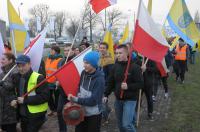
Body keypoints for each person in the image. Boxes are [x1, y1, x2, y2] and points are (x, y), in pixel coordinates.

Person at [103, 45, 143, 132]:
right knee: (120, 125)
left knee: (127, 125)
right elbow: (110, 82)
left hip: (130, 100)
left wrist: (128, 86)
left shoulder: (134, 67)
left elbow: (140, 84)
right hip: (118, 100)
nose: (118, 55)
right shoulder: (114, 67)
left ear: (127, 53)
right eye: (116, 53)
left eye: (120, 53)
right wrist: (106, 94)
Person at [11, 55, 49, 132]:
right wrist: (15, 100)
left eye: (23, 65)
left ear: (29, 64)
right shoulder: (16, 77)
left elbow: (45, 96)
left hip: (36, 115)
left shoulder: (39, 77)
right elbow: (18, 93)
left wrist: (25, 100)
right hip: (22, 114)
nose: (21, 68)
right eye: (18, 66)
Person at [68, 51, 105, 132]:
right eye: (84, 62)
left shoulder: (99, 80)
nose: (84, 65)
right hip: (81, 111)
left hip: (93, 114)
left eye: (87, 63)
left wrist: (76, 99)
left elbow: (93, 101)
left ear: (94, 64)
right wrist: (77, 96)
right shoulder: (83, 73)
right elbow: (79, 87)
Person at [57, 44, 75, 132]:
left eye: (68, 50)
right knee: (60, 111)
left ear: (74, 51)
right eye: (65, 50)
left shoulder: (77, 61)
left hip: (74, 93)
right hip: (63, 92)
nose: (66, 52)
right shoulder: (61, 62)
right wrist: (58, 80)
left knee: (77, 113)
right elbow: (58, 74)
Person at [0, 53, 18, 132]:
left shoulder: (15, 71)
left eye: (4, 59)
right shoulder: (2, 73)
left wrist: (2, 83)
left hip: (11, 106)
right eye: (1, 59)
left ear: (10, 60)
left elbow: (13, 86)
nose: (1, 61)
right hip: (2, 106)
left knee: (11, 127)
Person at [45, 45, 62, 116]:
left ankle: (57, 110)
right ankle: (52, 109)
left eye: (52, 50)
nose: (50, 51)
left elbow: (60, 71)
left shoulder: (60, 60)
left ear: (56, 51)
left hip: (55, 82)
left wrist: (58, 81)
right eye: (51, 50)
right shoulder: (48, 58)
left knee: (57, 97)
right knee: (48, 97)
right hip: (48, 81)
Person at [98, 42, 114, 122]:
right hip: (97, 83)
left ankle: (106, 117)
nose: (102, 49)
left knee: (102, 101)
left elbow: (111, 75)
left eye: (103, 48)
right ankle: (108, 110)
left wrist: (107, 85)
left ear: (106, 49)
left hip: (105, 84)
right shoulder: (98, 58)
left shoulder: (110, 60)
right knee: (102, 100)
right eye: (100, 48)